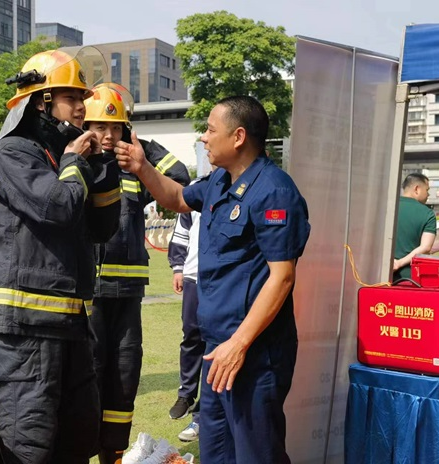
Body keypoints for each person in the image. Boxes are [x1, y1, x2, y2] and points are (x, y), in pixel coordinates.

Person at [114, 95, 310, 464]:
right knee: (217, 452)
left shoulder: (274, 191)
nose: (203, 137)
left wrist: (239, 344)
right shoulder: (220, 180)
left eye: (210, 129)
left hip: (252, 352)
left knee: (255, 454)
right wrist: (142, 167)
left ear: (238, 137)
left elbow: (282, 277)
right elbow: (176, 197)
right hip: (217, 348)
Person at [0, 46, 121, 464]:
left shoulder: (61, 158)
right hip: (26, 328)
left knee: (78, 438)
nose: (82, 107)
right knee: (30, 445)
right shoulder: (13, 153)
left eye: (82, 98)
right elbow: (56, 207)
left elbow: (102, 228)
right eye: (72, 98)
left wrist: (102, 165)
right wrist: (75, 161)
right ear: (42, 101)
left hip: (70, 323)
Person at [82, 83, 190, 464]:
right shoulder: (77, 168)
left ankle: (113, 455)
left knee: (125, 378)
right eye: (100, 126)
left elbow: (180, 178)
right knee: (90, 377)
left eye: (116, 128)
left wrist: (142, 151)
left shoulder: (133, 170)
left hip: (128, 295)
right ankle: (84, 449)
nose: (108, 135)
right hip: (90, 296)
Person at [167, 182, 203, 443]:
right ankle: (186, 394)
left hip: (222, 279)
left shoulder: (244, 186)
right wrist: (178, 268)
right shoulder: (197, 188)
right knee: (191, 336)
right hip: (193, 276)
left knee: (215, 343)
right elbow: (182, 232)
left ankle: (202, 413)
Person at [393, 173, 436, 280]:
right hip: (410, 277)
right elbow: (426, 247)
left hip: (380, 274)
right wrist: (399, 263)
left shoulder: (389, 206)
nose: (428, 194)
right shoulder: (428, 214)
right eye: (427, 190)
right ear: (417, 189)